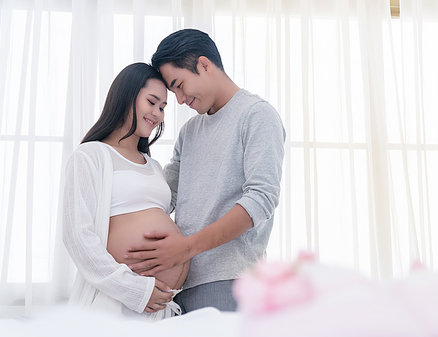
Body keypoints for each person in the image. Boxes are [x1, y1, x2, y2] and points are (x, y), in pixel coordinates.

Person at [124, 29, 286, 313]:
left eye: (179, 85)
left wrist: (185, 249)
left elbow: (261, 200)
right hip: (178, 286)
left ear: (204, 64)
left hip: (230, 282)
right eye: (172, 92)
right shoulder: (190, 132)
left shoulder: (257, 116)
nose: (179, 100)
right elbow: (165, 196)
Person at [62, 62, 189, 320]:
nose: (158, 113)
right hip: (116, 304)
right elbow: (77, 236)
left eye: (163, 107)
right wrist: (135, 290)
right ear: (127, 96)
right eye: (151, 102)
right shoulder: (91, 155)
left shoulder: (152, 165)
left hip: (161, 309)